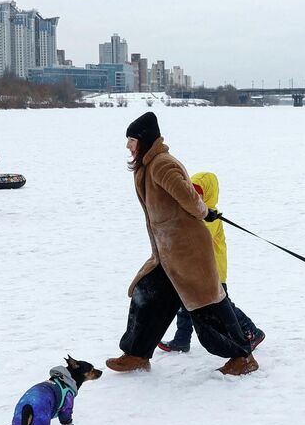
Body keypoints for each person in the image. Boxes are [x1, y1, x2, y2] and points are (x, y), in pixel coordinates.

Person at [105, 112, 259, 376]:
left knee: (208, 307)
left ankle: (243, 357)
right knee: (147, 296)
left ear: (144, 140)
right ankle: (136, 354)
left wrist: (205, 212)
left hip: (188, 252)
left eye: (132, 140)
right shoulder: (147, 166)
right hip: (166, 253)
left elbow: (189, 196)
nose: (128, 146)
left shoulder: (162, 165)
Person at [158, 171, 265, 353]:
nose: (195, 197)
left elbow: (194, 238)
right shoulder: (193, 214)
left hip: (212, 271)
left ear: (207, 194)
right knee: (186, 302)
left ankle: (252, 331)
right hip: (195, 270)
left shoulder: (211, 218)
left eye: (199, 193)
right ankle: (181, 339)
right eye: (192, 192)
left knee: (224, 306)